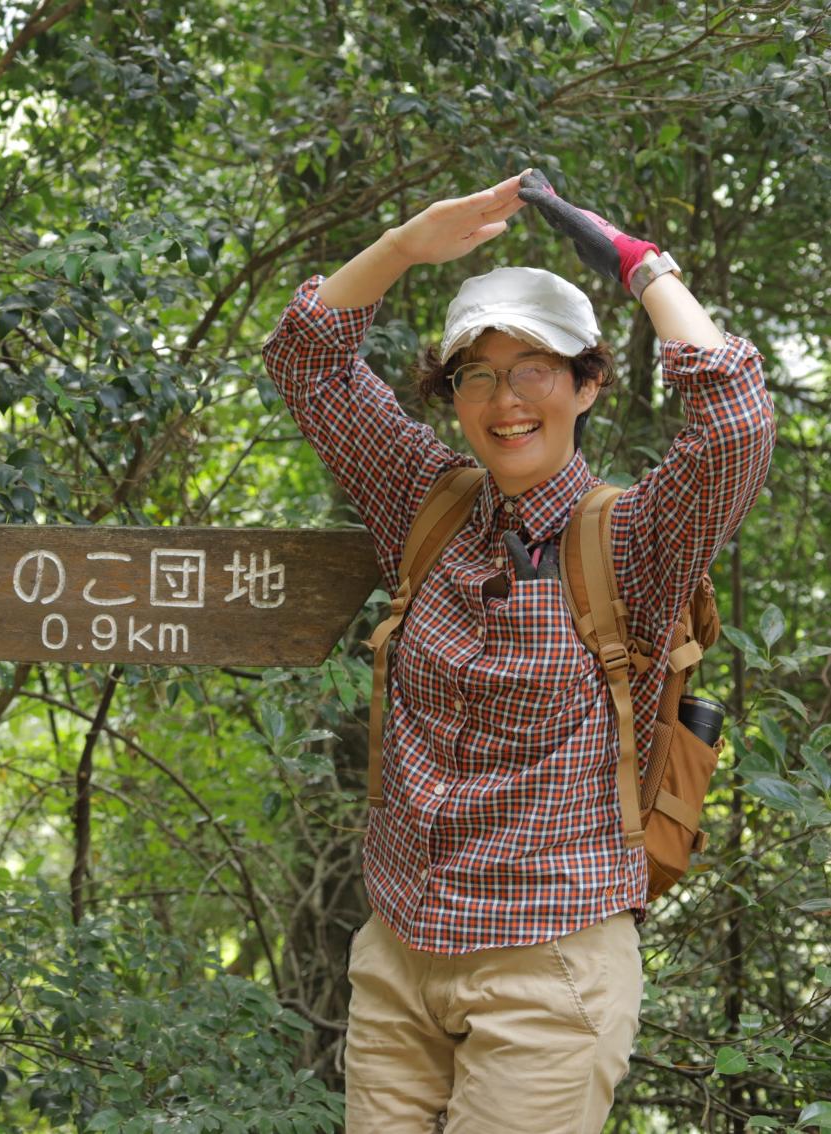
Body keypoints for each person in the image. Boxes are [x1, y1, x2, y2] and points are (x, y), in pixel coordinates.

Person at [262, 171, 774, 1132]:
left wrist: (640, 265)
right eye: (477, 374)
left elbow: (737, 425)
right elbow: (305, 360)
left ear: (585, 384)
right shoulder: (427, 498)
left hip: (550, 969)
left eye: (534, 367)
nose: (505, 400)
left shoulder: (635, 538)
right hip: (399, 956)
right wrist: (407, 244)